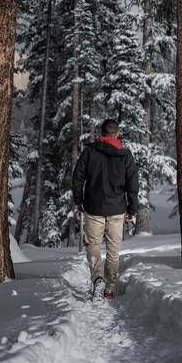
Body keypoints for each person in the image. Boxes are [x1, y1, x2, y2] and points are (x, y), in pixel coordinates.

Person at [72, 118, 139, 299]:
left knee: (93, 245)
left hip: (93, 207)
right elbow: (133, 184)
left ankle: (97, 277)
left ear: (101, 134)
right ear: (117, 134)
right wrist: (132, 209)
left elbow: (77, 177)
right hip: (117, 209)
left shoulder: (89, 152)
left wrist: (78, 201)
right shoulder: (126, 155)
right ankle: (109, 287)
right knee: (113, 249)